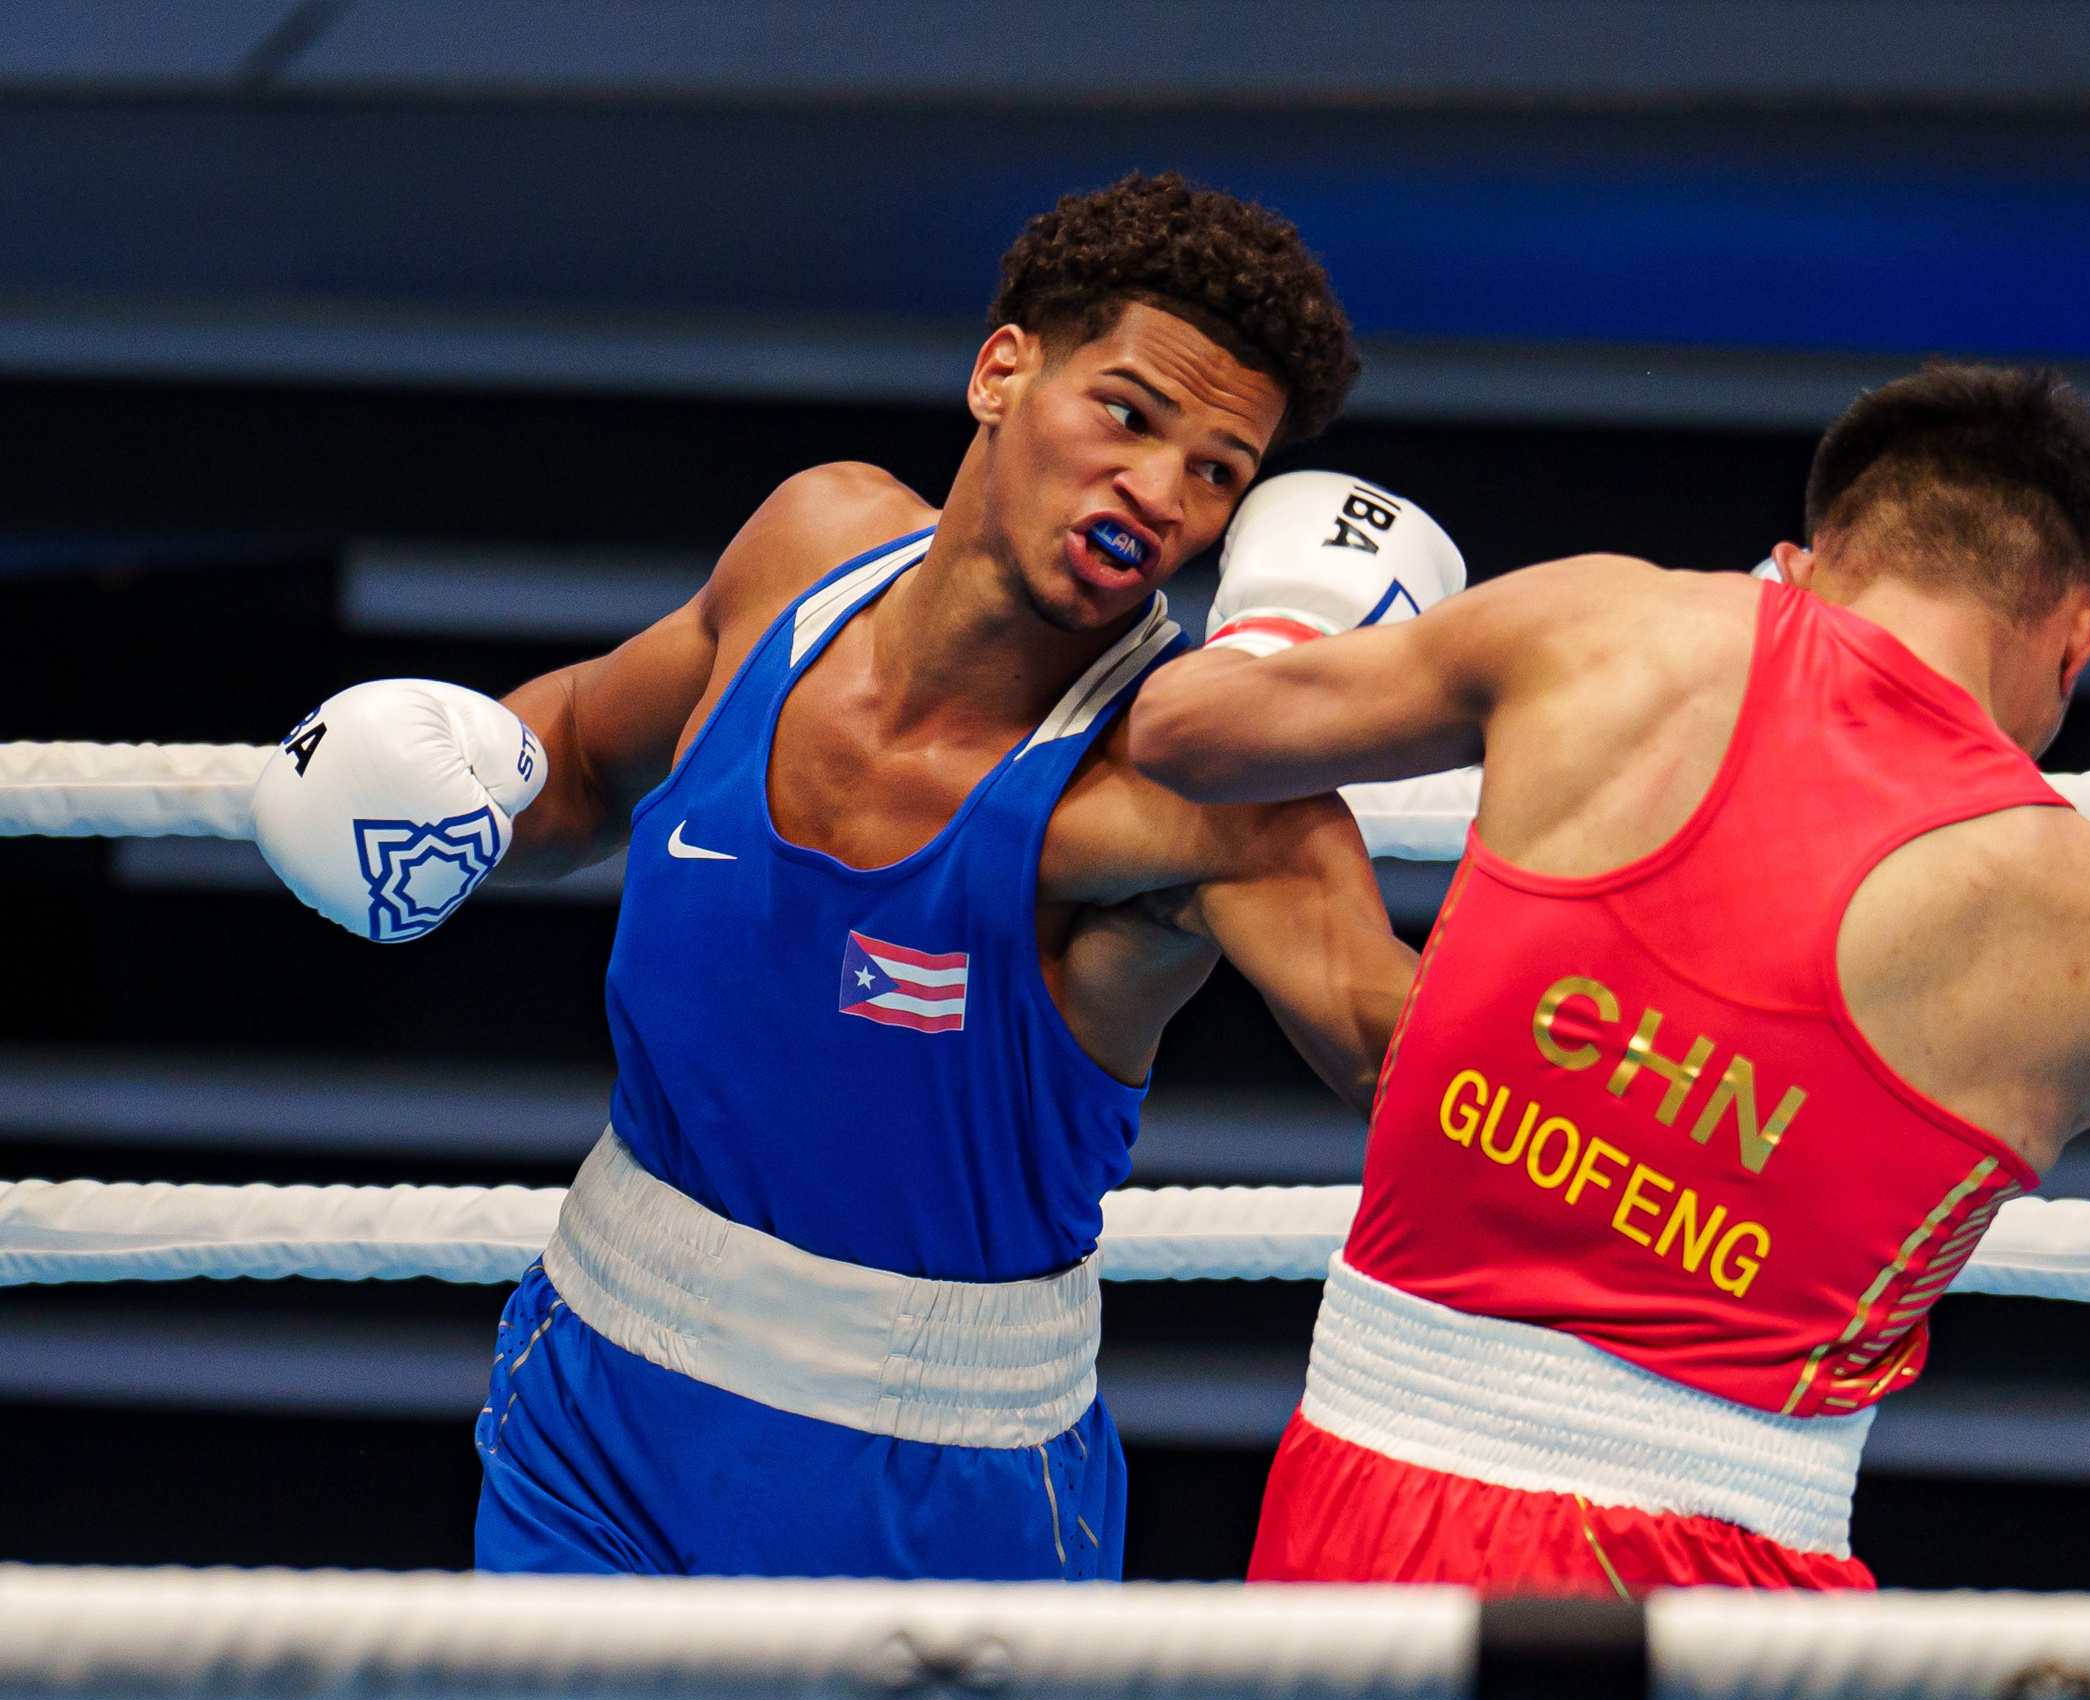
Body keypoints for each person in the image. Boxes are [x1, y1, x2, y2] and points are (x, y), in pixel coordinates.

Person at [245, 174, 1464, 1578]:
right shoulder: (812, 543)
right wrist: (449, 789)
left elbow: (1411, 1062)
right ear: (1002, 369)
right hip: (595, 1403)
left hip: (932, 1490)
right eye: (1128, 413)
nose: (1161, 492)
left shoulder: (1194, 791)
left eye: (1218, 470)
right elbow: (580, 749)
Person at [1128, 363, 2090, 1595]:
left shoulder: (1609, 625)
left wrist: (1295, 610)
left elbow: (1184, 732)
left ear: (1808, 555)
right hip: (1727, 1564)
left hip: (1360, 1490)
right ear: (2086, 632)